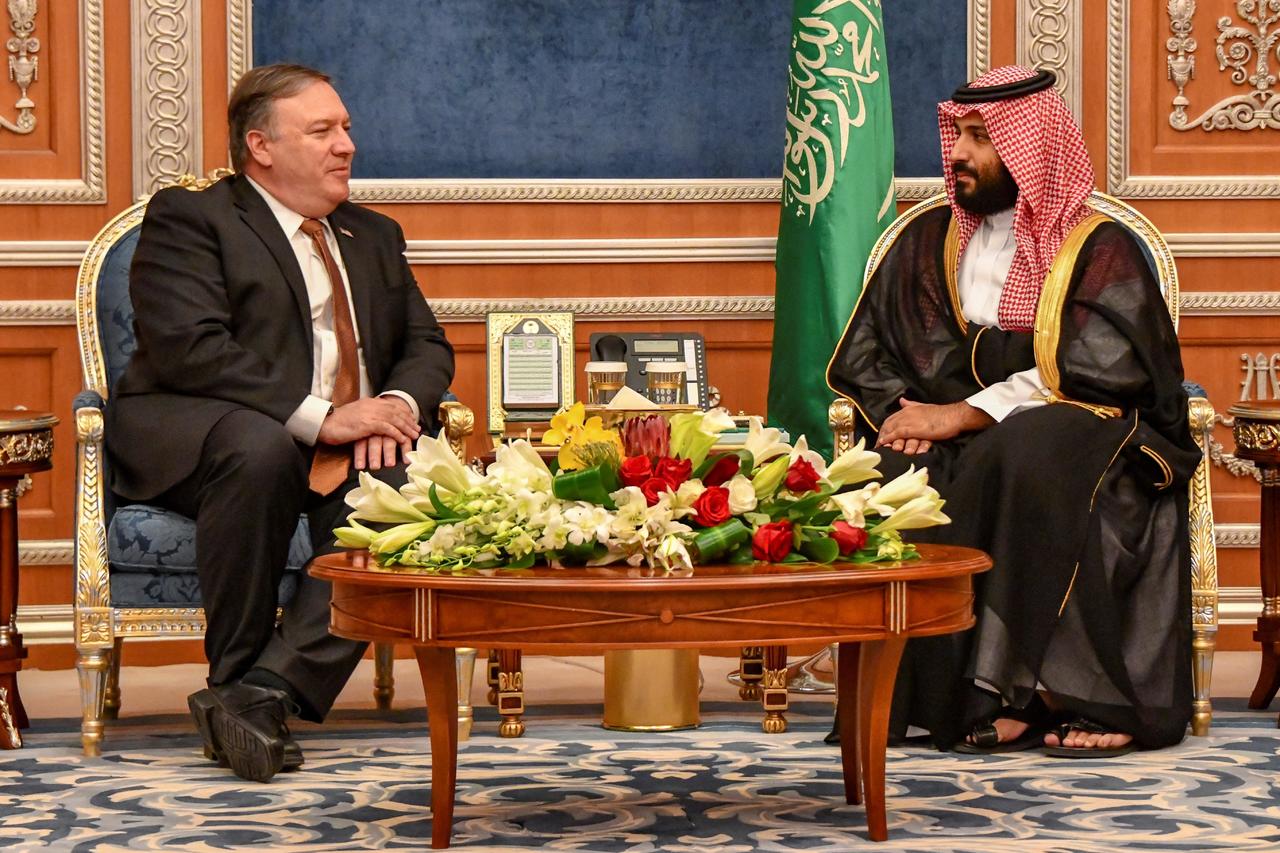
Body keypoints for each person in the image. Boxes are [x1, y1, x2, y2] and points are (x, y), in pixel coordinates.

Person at [826, 66, 1200, 756]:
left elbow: (1105, 371)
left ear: (1033, 148)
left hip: (1083, 428)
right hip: (964, 433)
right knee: (887, 469)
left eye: (981, 138)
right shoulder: (928, 239)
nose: (959, 154)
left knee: (1029, 449)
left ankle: (1051, 693)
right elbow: (871, 347)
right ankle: (942, 697)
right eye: (958, 135)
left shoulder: (1097, 246)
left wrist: (963, 415)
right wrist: (906, 416)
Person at [106, 64, 455, 782]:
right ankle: (235, 671)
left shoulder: (373, 234)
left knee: (407, 481)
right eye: (322, 131)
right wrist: (324, 418)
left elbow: (426, 345)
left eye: (346, 128)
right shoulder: (194, 218)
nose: (346, 145)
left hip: (345, 440)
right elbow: (190, 348)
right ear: (261, 147)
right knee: (259, 446)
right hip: (207, 434)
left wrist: (394, 408)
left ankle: (259, 694)